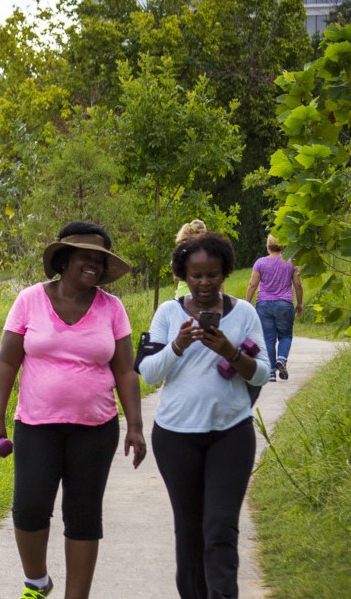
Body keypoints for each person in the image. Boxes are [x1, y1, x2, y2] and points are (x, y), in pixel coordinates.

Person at [0, 222, 147, 599]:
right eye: (85, 257)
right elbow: (7, 362)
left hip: (96, 428)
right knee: (29, 508)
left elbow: (125, 370)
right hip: (37, 426)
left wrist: (135, 426)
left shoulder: (112, 308)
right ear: (64, 260)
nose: (93, 266)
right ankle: (37, 582)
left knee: (84, 516)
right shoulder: (29, 300)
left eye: (99, 261)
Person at [139, 232, 269, 599]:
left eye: (212, 274)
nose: (204, 283)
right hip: (176, 436)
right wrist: (178, 345)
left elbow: (262, 372)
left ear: (225, 272)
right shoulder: (168, 313)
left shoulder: (244, 313)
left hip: (231, 434)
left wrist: (230, 351)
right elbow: (149, 373)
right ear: (184, 275)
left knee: (221, 527)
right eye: (196, 275)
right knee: (190, 529)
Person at [245, 235, 303, 383]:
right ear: (283, 246)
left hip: (263, 305)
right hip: (284, 304)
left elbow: (252, 284)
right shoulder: (290, 262)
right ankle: (282, 360)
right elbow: (298, 284)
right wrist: (300, 303)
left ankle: (271, 372)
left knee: (268, 338)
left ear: (268, 246)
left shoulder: (260, 263)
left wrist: (246, 303)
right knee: (285, 336)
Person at [173, 219, 208, 298]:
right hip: (196, 297)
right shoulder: (200, 252)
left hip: (180, 296)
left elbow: (175, 278)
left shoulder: (181, 250)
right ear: (200, 233)